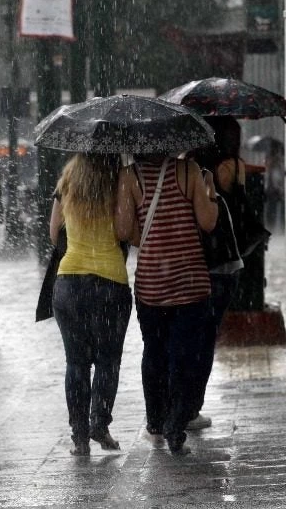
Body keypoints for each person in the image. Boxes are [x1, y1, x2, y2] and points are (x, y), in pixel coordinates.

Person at [115, 152, 218, 456]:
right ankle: (176, 423)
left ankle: (156, 421)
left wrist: (149, 239)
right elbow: (208, 222)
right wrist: (209, 190)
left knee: (154, 352)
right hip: (190, 281)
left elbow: (123, 230)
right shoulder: (189, 170)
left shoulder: (129, 176)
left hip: (151, 285)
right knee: (184, 355)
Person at [48, 153, 132, 456]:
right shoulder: (119, 179)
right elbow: (124, 231)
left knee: (76, 362)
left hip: (69, 282)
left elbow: (53, 232)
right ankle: (100, 423)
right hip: (109, 282)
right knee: (108, 361)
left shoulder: (68, 179)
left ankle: (79, 437)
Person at [188, 116, 247, 431]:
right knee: (206, 338)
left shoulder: (194, 169)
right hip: (225, 263)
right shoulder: (232, 168)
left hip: (196, 261)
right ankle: (192, 405)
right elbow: (239, 210)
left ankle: (180, 403)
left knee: (189, 337)